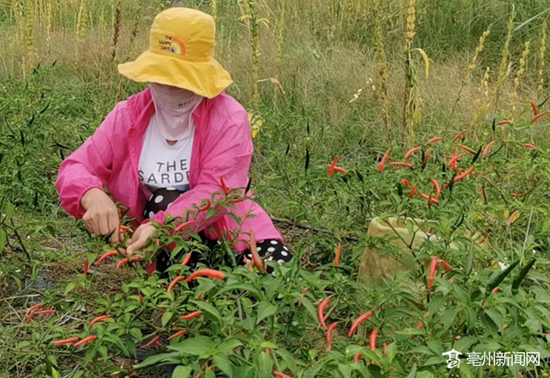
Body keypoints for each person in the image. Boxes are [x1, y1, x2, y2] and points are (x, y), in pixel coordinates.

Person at [55, 7, 292, 274]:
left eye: (183, 79)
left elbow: (216, 192)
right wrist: (91, 194)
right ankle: (183, 291)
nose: (171, 88)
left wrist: (161, 226)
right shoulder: (129, 115)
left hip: (232, 232)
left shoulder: (229, 118)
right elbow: (75, 167)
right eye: (164, 77)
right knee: (161, 200)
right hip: (164, 241)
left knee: (279, 280)